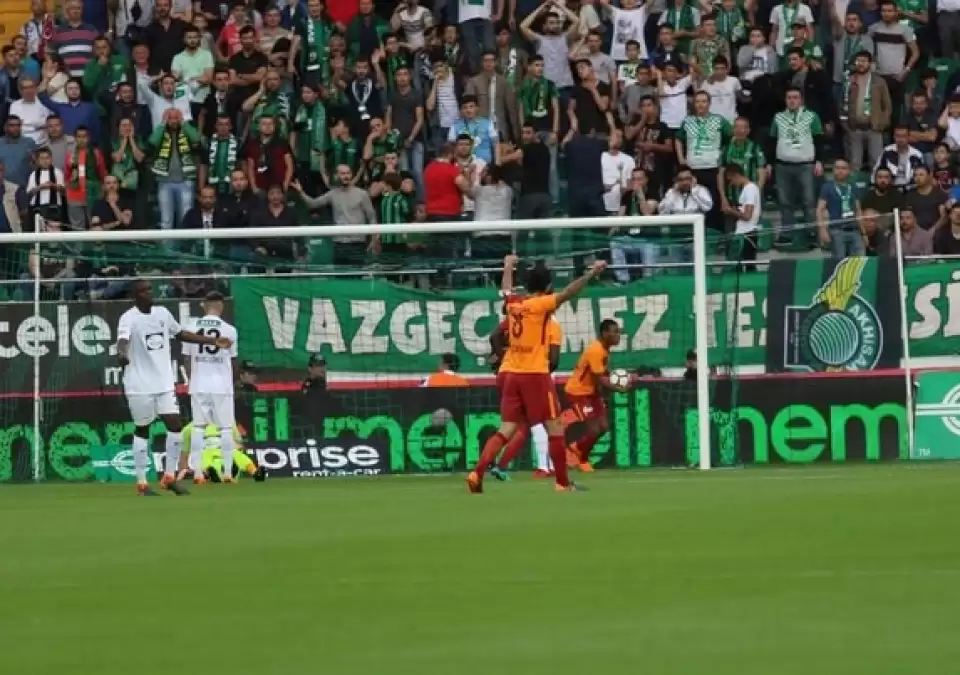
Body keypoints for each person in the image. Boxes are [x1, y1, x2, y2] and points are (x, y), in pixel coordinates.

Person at [467, 258, 608, 493]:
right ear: (548, 286)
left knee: (507, 428)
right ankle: (562, 483)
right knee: (555, 428)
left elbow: (505, 290)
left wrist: (508, 266)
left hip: (511, 373)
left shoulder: (514, 303)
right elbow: (569, 293)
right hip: (534, 374)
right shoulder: (542, 305)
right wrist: (591, 273)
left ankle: (477, 472)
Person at [117, 279, 231, 496]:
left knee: (175, 425)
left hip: (164, 383)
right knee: (142, 428)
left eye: (150, 289)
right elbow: (123, 340)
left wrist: (211, 341)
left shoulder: (162, 313)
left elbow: (181, 334)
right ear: (135, 295)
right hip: (139, 384)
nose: (149, 293)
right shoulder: (128, 318)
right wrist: (122, 353)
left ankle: (169, 477)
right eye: (144, 290)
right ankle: (142, 483)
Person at [179, 291, 239, 484]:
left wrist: (192, 380)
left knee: (198, 427)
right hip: (222, 385)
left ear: (205, 305)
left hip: (199, 384)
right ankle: (228, 473)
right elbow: (233, 360)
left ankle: (197, 473)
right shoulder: (229, 330)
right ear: (221, 306)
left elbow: (186, 358)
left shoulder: (191, 327)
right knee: (226, 429)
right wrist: (232, 382)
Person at [562, 319, 634, 472]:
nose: (618, 335)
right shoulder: (596, 350)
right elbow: (600, 378)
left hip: (592, 392)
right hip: (579, 392)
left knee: (603, 427)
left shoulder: (605, 349)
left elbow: (601, 374)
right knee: (594, 430)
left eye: (618, 332)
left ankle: (578, 450)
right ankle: (579, 457)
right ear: (605, 333)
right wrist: (619, 389)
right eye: (614, 332)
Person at [817, 157, 864, 258]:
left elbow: (858, 210)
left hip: (854, 230)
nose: (840, 171)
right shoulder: (827, 187)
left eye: (843, 168)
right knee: (839, 262)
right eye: (837, 168)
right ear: (833, 170)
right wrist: (822, 230)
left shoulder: (853, 187)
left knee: (860, 260)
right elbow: (820, 209)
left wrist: (864, 233)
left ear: (849, 171)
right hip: (836, 230)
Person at [721, 162, 762, 269]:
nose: (731, 184)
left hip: (747, 233)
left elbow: (747, 216)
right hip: (744, 232)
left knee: (748, 266)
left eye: (730, 180)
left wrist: (730, 211)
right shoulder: (748, 189)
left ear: (735, 175)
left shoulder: (750, 189)